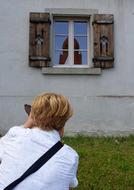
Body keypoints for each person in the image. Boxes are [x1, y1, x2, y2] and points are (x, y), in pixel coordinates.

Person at [0, 92, 79, 190]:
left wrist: (27, 124)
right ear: (64, 120)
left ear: (32, 116)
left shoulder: (15, 135)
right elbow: (71, 183)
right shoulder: (70, 156)